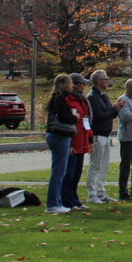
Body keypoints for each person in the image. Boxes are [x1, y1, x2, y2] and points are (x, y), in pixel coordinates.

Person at [86, 70, 124, 204]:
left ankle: (101, 192)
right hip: (97, 134)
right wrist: (115, 109)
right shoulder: (92, 97)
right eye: (106, 79)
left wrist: (115, 109)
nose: (108, 82)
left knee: (103, 165)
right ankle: (92, 194)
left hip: (106, 134)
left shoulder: (104, 96)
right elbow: (98, 116)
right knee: (95, 165)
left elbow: (109, 114)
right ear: (98, 81)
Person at [44, 74, 78, 214]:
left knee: (59, 172)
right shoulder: (59, 98)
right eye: (70, 83)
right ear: (62, 85)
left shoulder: (57, 98)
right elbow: (64, 117)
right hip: (59, 136)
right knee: (58, 172)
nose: (72, 86)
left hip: (58, 137)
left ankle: (56, 202)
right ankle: (52, 204)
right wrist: (74, 117)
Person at [61, 73, 94, 211]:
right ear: (74, 85)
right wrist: (68, 144)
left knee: (77, 172)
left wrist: (90, 140)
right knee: (69, 173)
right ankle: (66, 200)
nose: (84, 86)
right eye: (82, 84)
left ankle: (74, 199)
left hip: (82, 140)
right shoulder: (67, 99)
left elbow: (86, 120)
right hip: (73, 140)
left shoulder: (83, 100)